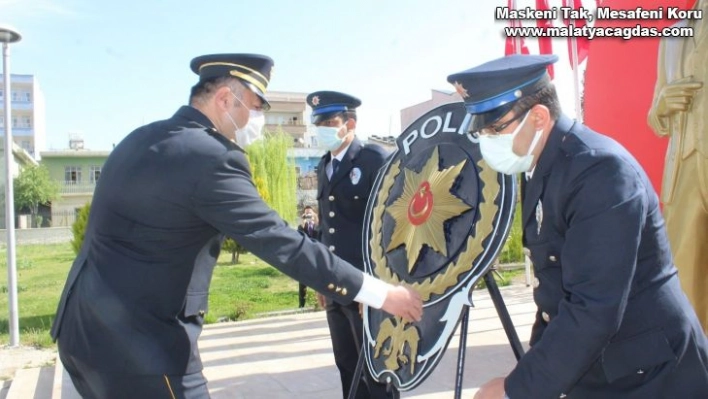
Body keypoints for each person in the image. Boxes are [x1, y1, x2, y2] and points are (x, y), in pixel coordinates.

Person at [49, 54, 423, 399]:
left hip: (80, 333)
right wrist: (381, 294)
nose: (257, 120)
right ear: (226, 99)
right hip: (142, 348)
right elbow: (282, 243)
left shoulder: (142, 138)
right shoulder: (211, 157)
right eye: (257, 108)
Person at [444, 54, 708, 399]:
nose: (485, 142)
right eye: (481, 132)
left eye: (494, 130)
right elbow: (555, 292)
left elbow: (594, 304)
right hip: (602, 364)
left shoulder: (599, 171)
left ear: (538, 117)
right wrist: (532, 370)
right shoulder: (547, 166)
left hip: (651, 373)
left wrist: (517, 390)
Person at [307, 90, 397, 399]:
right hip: (335, 287)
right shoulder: (324, 166)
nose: (322, 128)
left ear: (351, 124)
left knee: (376, 370)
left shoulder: (374, 159)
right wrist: (322, 280)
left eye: (330, 121)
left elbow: (389, 228)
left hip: (367, 287)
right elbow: (324, 228)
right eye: (318, 122)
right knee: (346, 365)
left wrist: (375, 287)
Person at [648, 0, 707, 334]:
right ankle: (695, 372)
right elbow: (654, 117)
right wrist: (662, 104)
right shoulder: (671, 37)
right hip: (682, 172)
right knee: (683, 281)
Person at [297, 205, 319, 308]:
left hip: (316, 257)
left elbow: (319, 236)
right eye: (307, 213)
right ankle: (301, 305)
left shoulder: (318, 226)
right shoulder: (301, 226)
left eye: (310, 213)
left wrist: (316, 220)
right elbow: (299, 238)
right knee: (302, 282)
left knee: (318, 280)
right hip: (305, 257)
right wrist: (303, 224)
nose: (308, 215)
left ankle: (318, 303)